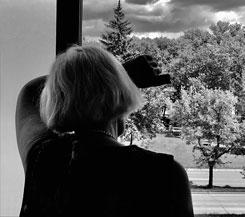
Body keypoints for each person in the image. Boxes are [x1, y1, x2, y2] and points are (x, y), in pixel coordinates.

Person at [16, 45, 194, 217]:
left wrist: (115, 74)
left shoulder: (45, 159)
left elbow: (30, 91)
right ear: (121, 90)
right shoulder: (164, 174)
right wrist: (113, 76)